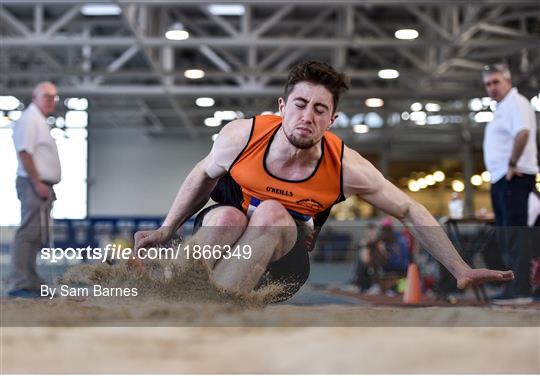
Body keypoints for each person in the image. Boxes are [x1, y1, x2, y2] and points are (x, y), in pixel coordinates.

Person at [135, 61, 513, 302]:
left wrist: (460, 268)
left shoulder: (347, 166)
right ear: (282, 108)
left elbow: (409, 208)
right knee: (227, 218)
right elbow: (202, 173)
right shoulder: (241, 136)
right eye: (299, 105)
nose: (307, 117)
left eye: (320, 109)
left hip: (284, 263)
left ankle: (214, 312)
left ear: (331, 120)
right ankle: (163, 295)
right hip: (228, 238)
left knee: (270, 211)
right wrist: (167, 229)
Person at [482, 64, 539, 300]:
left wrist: (513, 164)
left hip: (514, 177)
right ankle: (512, 285)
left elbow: (523, 133)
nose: (492, 88)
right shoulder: (502, 108)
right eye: (488, 84)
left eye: (496, 82)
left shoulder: (516, 102)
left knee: (516, 235)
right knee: (506, 235)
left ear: (508, 80)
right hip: (502, 179)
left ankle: (520, 288)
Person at [8, 81, 61, 298]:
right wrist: (37, 182)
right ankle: (20, 282)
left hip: (40, 185)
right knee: (28, 233)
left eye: (54, 97)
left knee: (37, 234)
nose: (51, 100)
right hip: (33, 184)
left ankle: (30, 280)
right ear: (34, 97)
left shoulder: (39, 121)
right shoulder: (30, 119)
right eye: (46, 96)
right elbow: (25, 152)